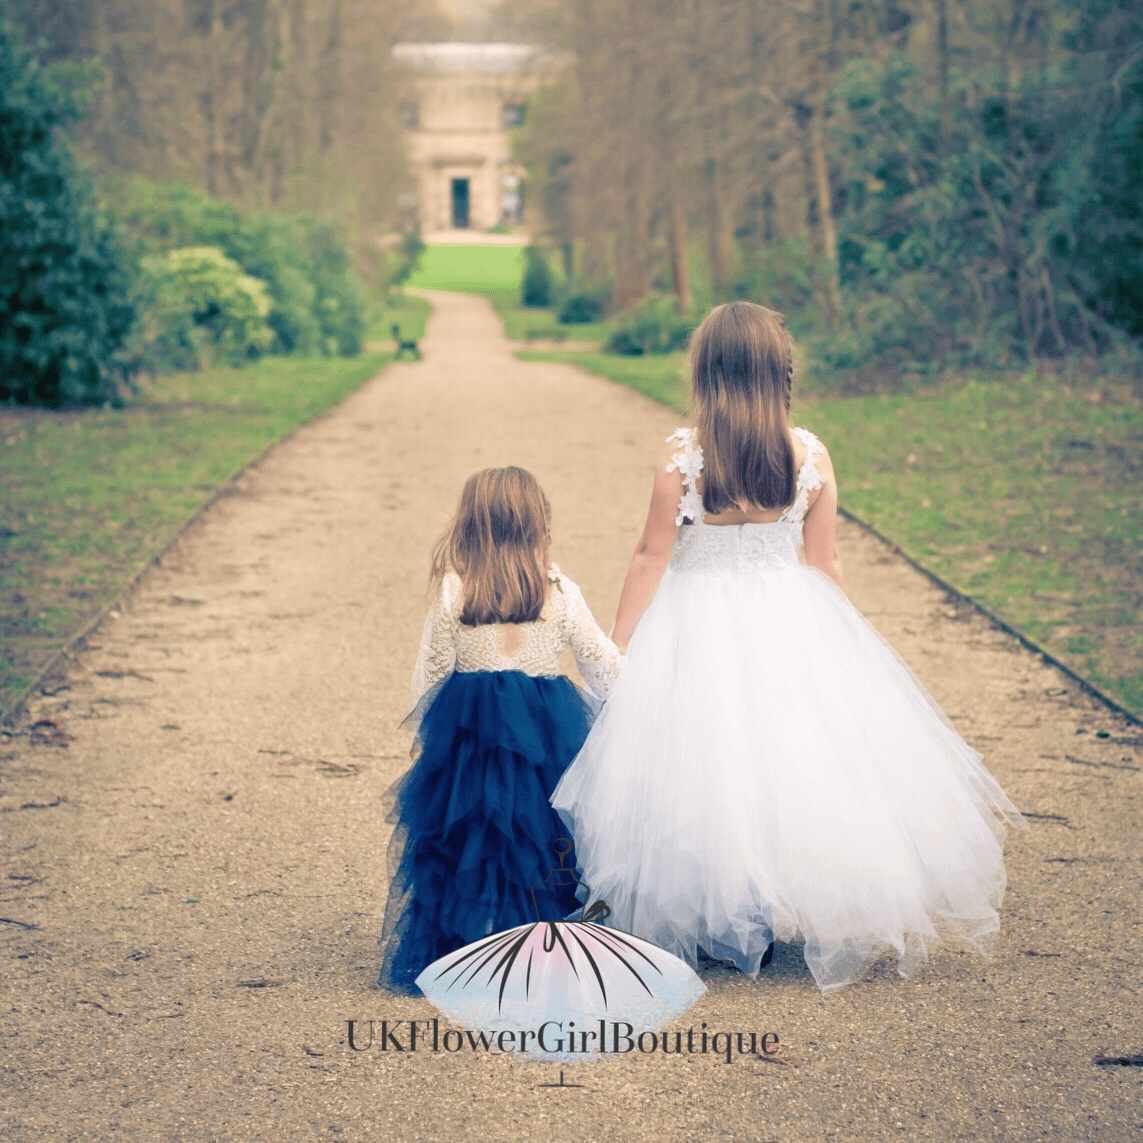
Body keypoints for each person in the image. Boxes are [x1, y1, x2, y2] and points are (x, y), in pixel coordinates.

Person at [551, 301, 1024, 993]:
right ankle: (763, 909)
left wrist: (617, 648)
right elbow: (825, 561)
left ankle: (725, 912)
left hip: (695, 617)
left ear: (706, 370)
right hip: (784, 613)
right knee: (784, 757)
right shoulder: (809, 453)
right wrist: (846, 646)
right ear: (779, 370)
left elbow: (651, 553)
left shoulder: (683, 454)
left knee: (704, 759)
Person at [378, 467, 623, 994]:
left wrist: (436, 741)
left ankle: (468, 946)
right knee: (543, 837)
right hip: (545, 741)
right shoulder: (559, 592)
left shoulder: (456, 591)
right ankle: (541, 946)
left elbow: (430, 676)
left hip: (470, 748)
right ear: (540, 523)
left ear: (469, 527)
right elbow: (602, 666)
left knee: (469, 843)